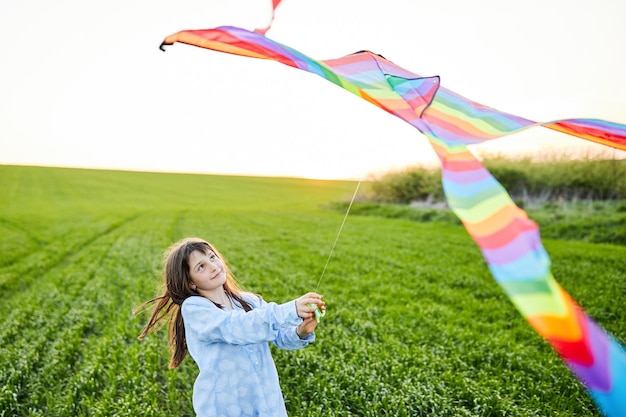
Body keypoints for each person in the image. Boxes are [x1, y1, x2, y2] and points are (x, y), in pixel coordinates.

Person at [136, 237, 325, 417]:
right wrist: (290, 309)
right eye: (201, 267)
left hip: (265, 399)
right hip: (224, 407)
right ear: (191, 282)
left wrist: (302, 331)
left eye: (212, 257)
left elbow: (281, 337)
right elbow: (237, 327)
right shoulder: (195, 309)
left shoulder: (249, 301)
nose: (213, 266)